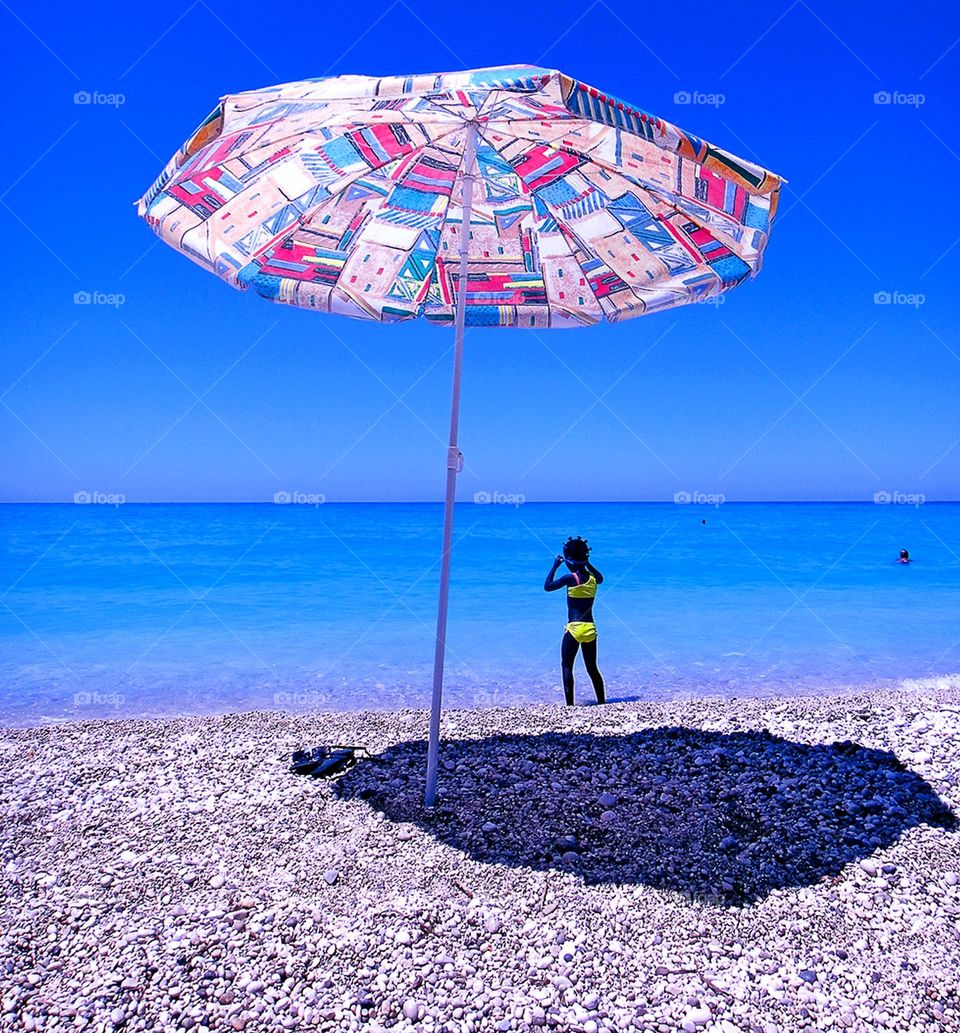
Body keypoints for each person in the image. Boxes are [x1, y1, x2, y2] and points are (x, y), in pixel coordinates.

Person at [544, 536, 606, 706]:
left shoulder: (569, 579)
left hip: (574, 628)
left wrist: (555, 566)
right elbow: (601, 578)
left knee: (566, 666)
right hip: (590, 629)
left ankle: (569, 706)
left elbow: (547, 586)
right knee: (592, 668)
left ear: (568, 559)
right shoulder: (594, 579)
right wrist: (587, 563)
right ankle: (602, 703)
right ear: (586, 557)